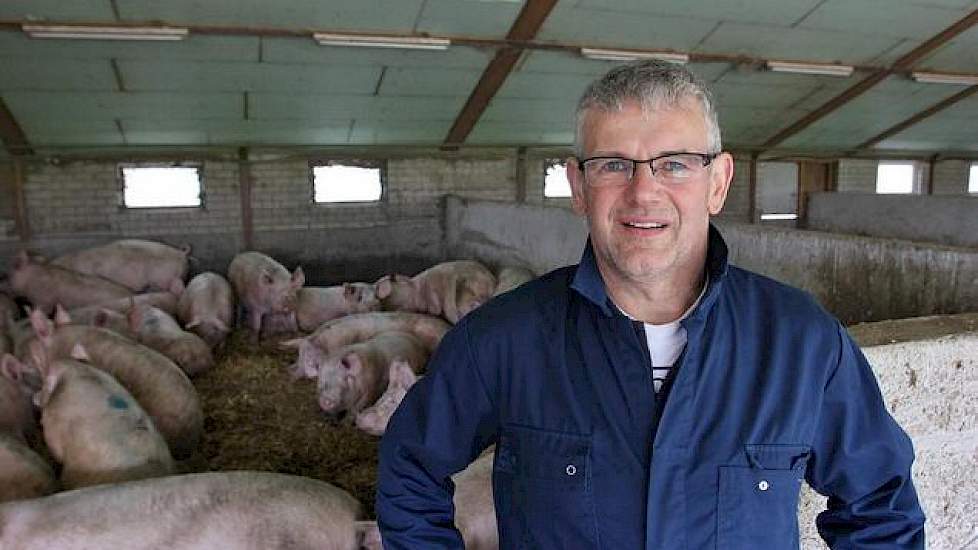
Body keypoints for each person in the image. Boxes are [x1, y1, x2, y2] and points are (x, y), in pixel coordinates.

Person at [376, 60, 925, 549]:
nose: (643, 192)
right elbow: (409, 471)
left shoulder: (801, 342)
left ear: (718, 182)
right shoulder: (501, 339)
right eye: (613, 164)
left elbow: (881, 508)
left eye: (676, 164)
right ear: (578, 185)